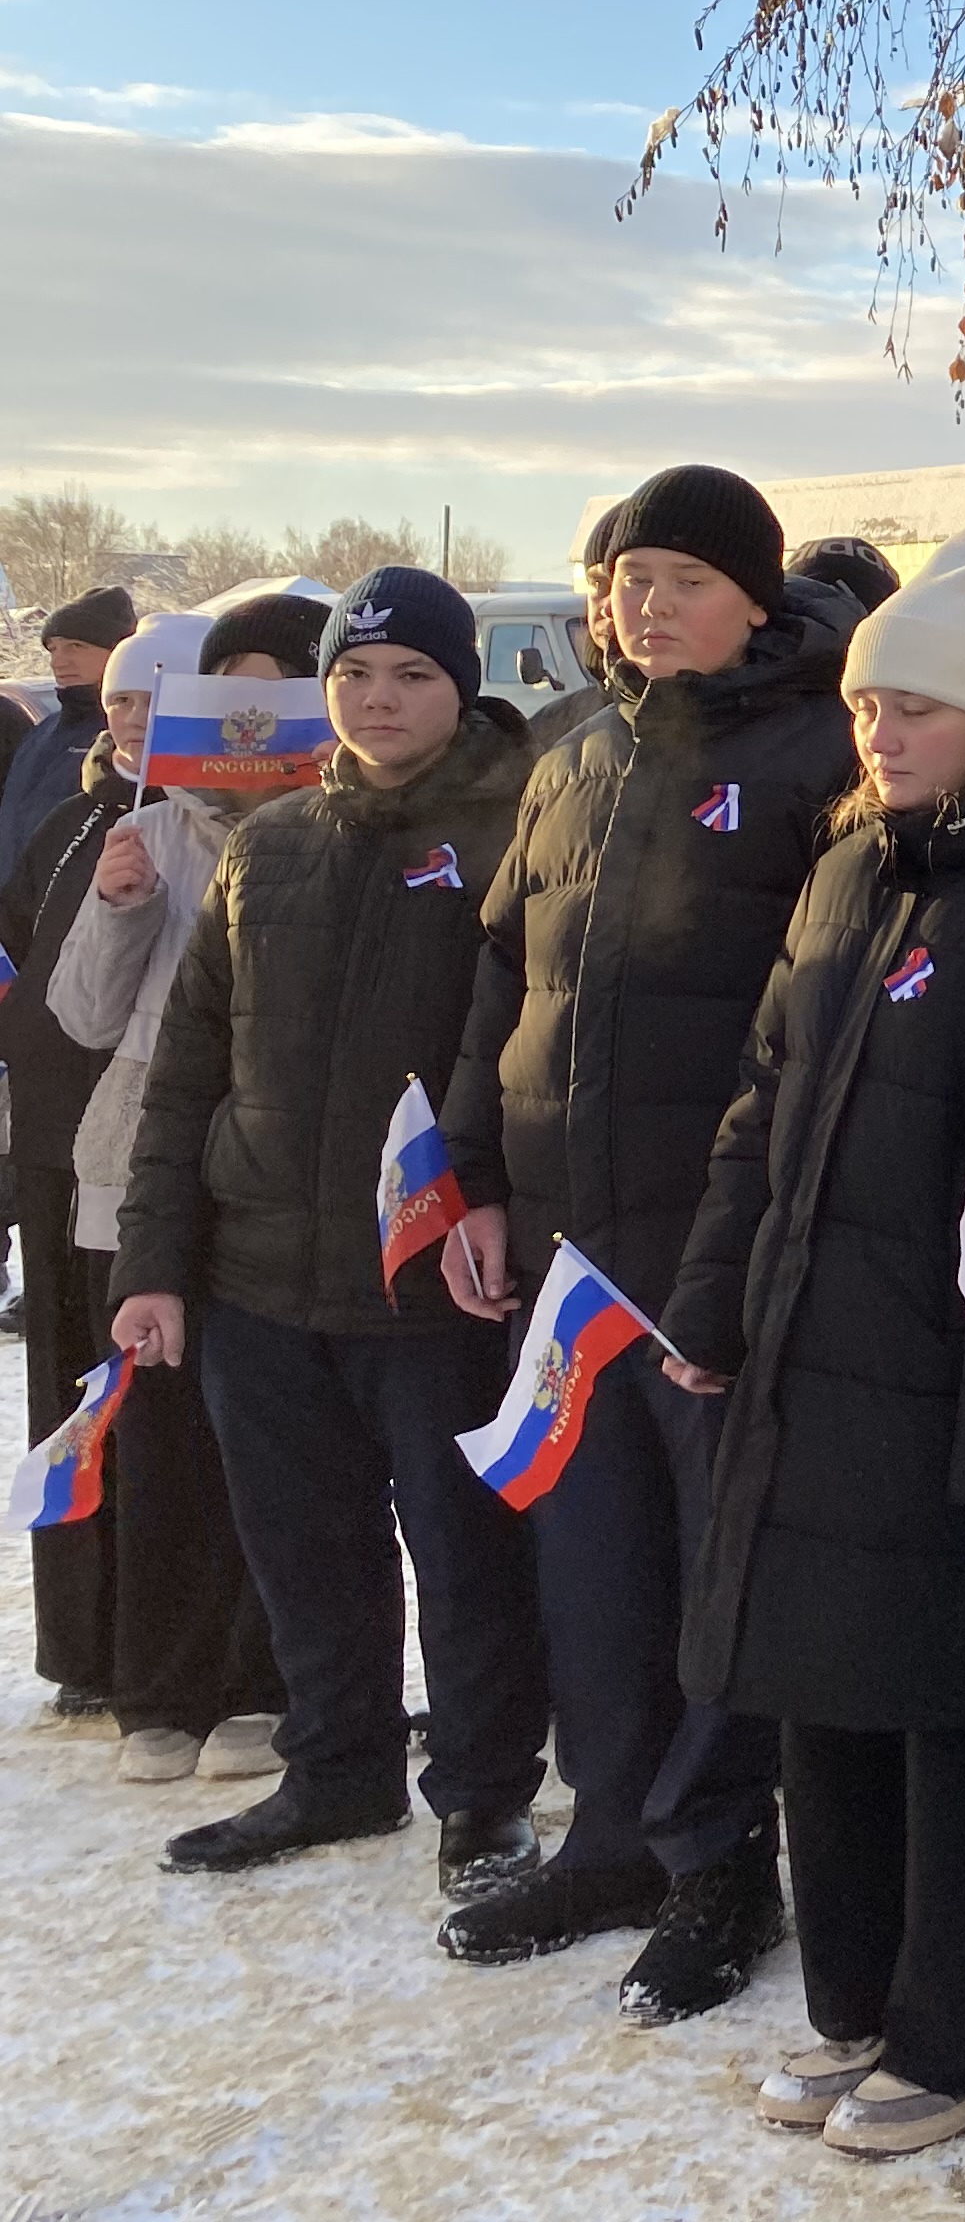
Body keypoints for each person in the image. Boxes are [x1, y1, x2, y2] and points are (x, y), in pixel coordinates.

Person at [664, 532, 965, 2161]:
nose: (881, 727)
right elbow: (759, 1101)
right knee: (827, 1678)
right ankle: (861, 1991)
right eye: (871, 700)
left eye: (919, 702)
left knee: (963, 1691)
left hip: (959, 1362)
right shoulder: (854, 866)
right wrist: (716, 1297)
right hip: (815, 1333)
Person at [433, 463, 858, 2020]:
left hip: (712, 1231)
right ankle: (610, 1829)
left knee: (709, 1560)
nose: (644, 603)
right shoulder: (575, 752)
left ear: (755, 595)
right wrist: (472, 1175)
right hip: (561, 1241)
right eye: (626, 577)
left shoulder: (821, 751)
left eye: (682, 576)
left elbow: (826, 1019)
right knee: (591, 1556)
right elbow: (499, 980)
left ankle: (717, 1857)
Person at [102, 568, 549, 1897]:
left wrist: (499, 1204)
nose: (379, 698)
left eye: (411, 674)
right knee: (304, 1547)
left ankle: (482, 1795)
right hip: (257, 1279)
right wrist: (153, 1265)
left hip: (424, 1282)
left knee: (465, 1555)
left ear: (461, 687)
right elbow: (188, 1068)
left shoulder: (512, 829)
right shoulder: (273, 842)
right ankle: (339, 1768)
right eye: (357, 675)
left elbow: (532, 1046)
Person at [51, 598, 309, 1787]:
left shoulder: (343, 830)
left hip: (282, 1171)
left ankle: (266, 1684)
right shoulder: (146, 836)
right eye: (230, 692)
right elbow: (81, 1018)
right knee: (158, 1439)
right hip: (147, 1175)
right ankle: (157, 1686)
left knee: (268, 1434)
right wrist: (118, 909)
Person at [4, 664, 135, 1714]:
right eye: (122, 697)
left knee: (147, 1416)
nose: (131, 716)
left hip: (140, 1164)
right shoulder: (68, 824)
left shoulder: (197, 828)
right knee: (68, 1411)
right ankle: (81, 1647)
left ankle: (159, 1648)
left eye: (157, 695)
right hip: (51, 1158)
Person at [0, 579, 130, 870]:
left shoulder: (126, 737)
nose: (59, 661)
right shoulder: (41, 732)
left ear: (118, 651)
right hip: (15, 907)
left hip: (80, 908)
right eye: (53, 648)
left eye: (75, 646)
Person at [527, 512, 629, 755]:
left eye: (633, 582)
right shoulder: (554, 727)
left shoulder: (723, 727)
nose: (608, 605)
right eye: (598, 584)